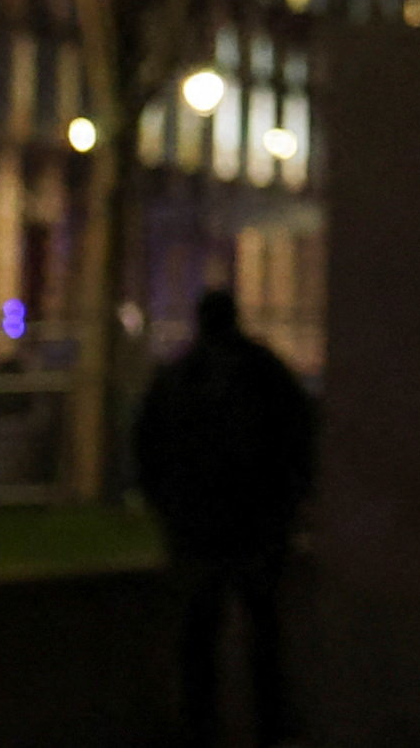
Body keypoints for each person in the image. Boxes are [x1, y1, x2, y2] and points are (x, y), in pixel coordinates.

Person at [132, 284, 320, 748]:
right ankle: (270, 721)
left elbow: (147, 446)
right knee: (262, 626)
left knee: (200, 626)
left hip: (199, 522)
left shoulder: (179, 375)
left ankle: (199, 722)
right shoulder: (264, 371)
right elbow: (299, 436)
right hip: (254, 520)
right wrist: (291, 503)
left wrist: (167, 506)